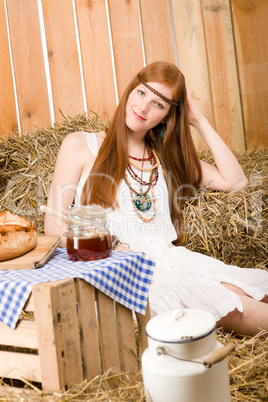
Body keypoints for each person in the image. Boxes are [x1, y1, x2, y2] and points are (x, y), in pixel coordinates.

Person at [45, 61, 268, 337]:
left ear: (166, 116)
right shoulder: (81, 145)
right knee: (234, 308)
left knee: (250, 289)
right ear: (130, 91)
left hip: (173, 261)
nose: (143, 107)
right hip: (130, 272)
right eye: (142, 93)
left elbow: (237, 182)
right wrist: (109, 248)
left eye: (159, 104)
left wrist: (198, 119)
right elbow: (53, 228)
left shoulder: (163, 156)